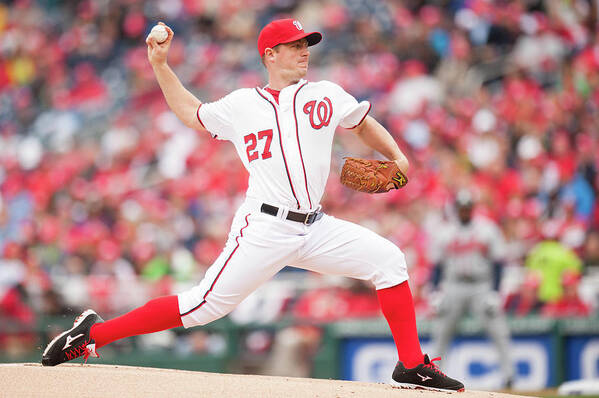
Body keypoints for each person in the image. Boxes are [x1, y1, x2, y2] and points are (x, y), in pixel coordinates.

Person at [41, 19, 464, 392]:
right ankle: (93, 334)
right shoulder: (243, 104)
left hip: (315, 227)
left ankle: (411, 366)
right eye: (296, 45)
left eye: (306, 45)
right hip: (265, 226)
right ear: (270, 54)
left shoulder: (325, 94)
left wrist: (398, 157)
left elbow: (362, 123)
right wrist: (161, 67)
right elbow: (191, 113)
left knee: (389, 261)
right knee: (202, 307)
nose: (304, 52)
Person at [430, 190, 514, 388]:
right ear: (456, 209)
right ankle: (433, 376)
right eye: (461, 208)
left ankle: (509, 375)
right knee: (441, 332)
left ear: (472, 209)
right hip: (453, 285)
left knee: (498, 331)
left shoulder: (487, 229)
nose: (464, 212)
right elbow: (437, 266)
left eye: (467, 208)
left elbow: (498, 263)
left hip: (481, 285)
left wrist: (495, 291)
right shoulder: (445, 231)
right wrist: (435, 291)